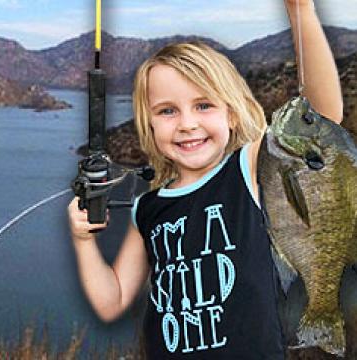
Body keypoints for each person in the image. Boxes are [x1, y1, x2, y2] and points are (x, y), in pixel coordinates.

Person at [67, 0, 342, 358]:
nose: (186, 123)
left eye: (203, 105)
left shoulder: (249, 171)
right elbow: (112, 301)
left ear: (231, 114)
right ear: (149, 123)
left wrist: (301, 12)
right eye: (167, 111)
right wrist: (82, 242)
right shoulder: (147, 208)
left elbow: (323, 117)